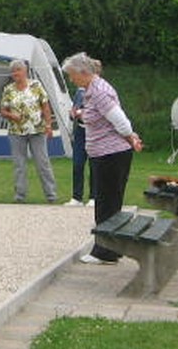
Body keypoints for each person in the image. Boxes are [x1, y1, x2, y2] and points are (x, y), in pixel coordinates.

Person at [61, 51, 143, 265]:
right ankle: (109, 249)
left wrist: (131, 138)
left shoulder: (98, 92)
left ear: (83, 72)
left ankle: (105, 251)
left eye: (72, 75)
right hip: (103, 154)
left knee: (107, 203)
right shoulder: (90, 90)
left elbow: (121, 121)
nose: (71, 80)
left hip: (111, 155)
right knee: (105, 201)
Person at [0, 59, 58, 203]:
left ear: (25, 71)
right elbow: (3, 111)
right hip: (16, 132)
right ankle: (20, 195)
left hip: (37, 130)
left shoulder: (36, 85)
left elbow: (45, 107)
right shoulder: (8, 89)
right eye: (13, 71)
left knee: (42, 163)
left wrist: (49, 125)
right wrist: (12, 115)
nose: (15, 73)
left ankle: (51, 195)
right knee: (19, 165)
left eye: (18, 70)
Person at [65, 58, 102, 207]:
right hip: (80, 132)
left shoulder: (100, 90)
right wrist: (73, 113)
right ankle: (76, 197)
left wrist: (83, 113)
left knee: (94, 165)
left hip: (94, 133)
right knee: (78, 164)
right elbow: (75, 108)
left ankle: (93, 196)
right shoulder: (80, 91)